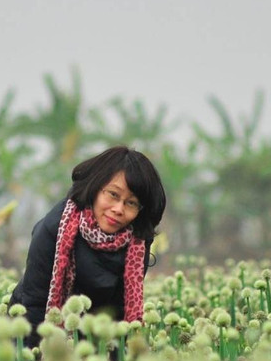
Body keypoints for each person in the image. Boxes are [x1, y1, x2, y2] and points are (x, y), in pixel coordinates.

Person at [9, 145, 167, 347]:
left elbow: (120, 313)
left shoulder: (137, 242)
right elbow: (35, 303)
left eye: (131, 203)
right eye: (113, 194)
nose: (118, 209)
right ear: (96, 187)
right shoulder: (54, 228)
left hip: (98, 336)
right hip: (37, 328)